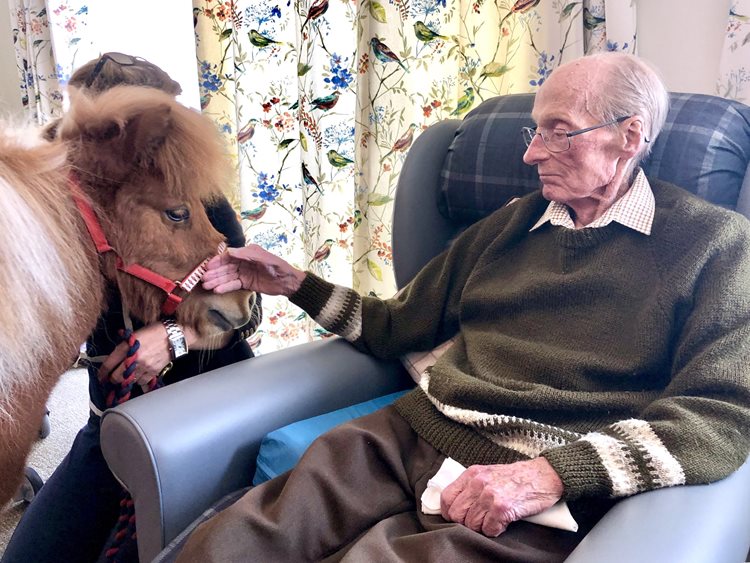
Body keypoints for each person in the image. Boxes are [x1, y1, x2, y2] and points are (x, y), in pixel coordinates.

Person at [171, 52, 750, 562]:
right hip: (413, 433)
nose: (531, 154)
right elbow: (396, 324)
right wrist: (295, 282)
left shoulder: (714, 246)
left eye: (556, 131)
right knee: (238, 538)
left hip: (534, 479)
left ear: (628, 136)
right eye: (533, 131)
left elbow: (722, 412)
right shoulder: (514, 225)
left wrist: (553, 475)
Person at [1, 54, 261, 563]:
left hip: (203, 412)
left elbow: (246, 311)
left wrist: (173, 337)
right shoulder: (70, 209)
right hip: (112, 421)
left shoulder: (188, 195)